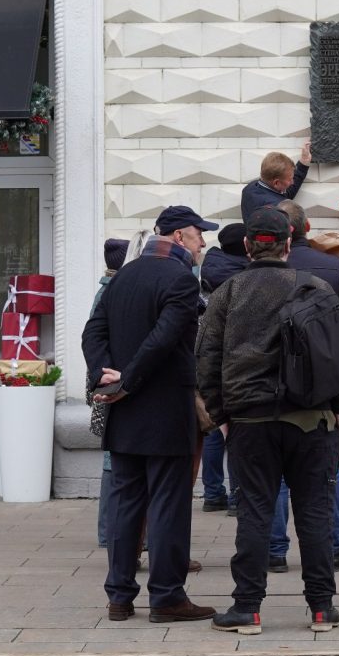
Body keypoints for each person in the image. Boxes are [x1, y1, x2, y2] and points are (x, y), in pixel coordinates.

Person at [196, 207, 339, 635]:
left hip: (250, 421)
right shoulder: (317, 287)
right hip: (314, 420)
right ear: (288, 244)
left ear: (249, 246)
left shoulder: (228, 292)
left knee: (254, 512)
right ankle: (321, 608)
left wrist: (220, 416)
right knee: (315, 513)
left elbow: (206, 359)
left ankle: (247, 608)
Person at [82, 205, 217, 625]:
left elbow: (93, 331)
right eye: (198, 234)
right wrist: (126, 380)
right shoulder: (180, 278)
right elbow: (164, 338)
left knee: (125, 504)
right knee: (168, 506)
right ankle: (167, 597)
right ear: (178, 236)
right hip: (164, 410)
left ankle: (119, 597)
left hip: (124, 413)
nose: (202, 243)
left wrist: (104, 375)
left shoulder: (124, 275)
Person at [266, 200, 339, 572]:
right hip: (320, 381)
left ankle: (274, 550)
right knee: (327, 468)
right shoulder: (331, 266)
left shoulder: (258, 271)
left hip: (269, 379)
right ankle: (333, 546)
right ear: (307, 227)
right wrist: (329, 340)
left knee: (275, 471)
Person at [198, 223, 249, 514]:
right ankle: (235, 496)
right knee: (238, 430)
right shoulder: (244, 274)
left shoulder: (210, 266)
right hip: (238, 360)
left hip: (211, 357)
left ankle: (212, 493)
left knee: (214, 427)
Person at [95, 237, 132, 550]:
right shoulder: (113, 293)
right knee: (112, 461)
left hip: (106, 382)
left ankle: (109, 532)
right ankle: (109, 532)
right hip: (112, 384)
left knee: (111, 459)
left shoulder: (105, 290)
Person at [241, 143, 312, 220]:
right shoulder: (278, 210)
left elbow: (284, 194)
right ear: (276, 183)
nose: (292, 182)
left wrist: (303, 163)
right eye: (290, 179)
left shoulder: (249, 188)